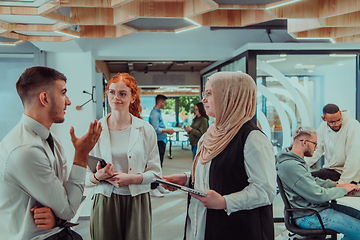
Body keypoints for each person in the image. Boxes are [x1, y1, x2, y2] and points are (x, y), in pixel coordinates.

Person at [162, 72, 277, 240]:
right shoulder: (212, 132)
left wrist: (225, 202)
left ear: (231, 96)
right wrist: (187, 178)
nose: (204, 100)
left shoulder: (252, 138)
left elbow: (265, 191)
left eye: (210, 93)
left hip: (236, 228)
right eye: (205, 93)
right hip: (202, 221)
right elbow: (214, 171)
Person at [0, 66, 102, 240]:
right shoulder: (26, 150)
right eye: (63, 93)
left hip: (56, 230)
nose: (68, 101)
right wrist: (81, 155)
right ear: (45, 98)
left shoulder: (52, 138)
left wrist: (57, 218)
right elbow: (69, 209)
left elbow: (64, 197)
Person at [87, 73, 162, 240]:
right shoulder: (96, 129)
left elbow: (156, 173)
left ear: (133, 97)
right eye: (112, 92)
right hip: (105, 200)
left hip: (137, 201)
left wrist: (131, 179)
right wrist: (97, 176)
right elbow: (84, 177)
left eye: (122, 93)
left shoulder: (146, 129)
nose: (116, 98)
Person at [277, 126, 360, 240]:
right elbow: (318, 195)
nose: (316, 148)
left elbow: (312, 181)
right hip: (307, 216)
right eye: (315, 144)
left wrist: (337, 185)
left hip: (315, 210)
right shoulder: (291, 166)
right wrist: (343, 190)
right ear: (305, 142)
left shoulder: (295, 161)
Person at [305, 103, 360, 184]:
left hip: (348, 174)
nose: (336, 124)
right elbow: (316, 150)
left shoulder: (353, 125)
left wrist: (342, 183)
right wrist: (301, 166)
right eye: (332, 122)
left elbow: (354, 157)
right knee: (305, 179)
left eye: (338, 120)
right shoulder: (323, 126)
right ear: (324, 118)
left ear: (340, 114)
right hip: (332, 170)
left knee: (309, 181)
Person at [148, 94, 174, 197]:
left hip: (161, 141)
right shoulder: (155, 113)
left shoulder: (158, 112)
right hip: (158, 142)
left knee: (159, 165)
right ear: (160, 102)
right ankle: (153, 187)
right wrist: (167, 130)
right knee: (156, 165)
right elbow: (155, 129)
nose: (165, 104)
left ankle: (157, 185)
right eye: (164, 102)